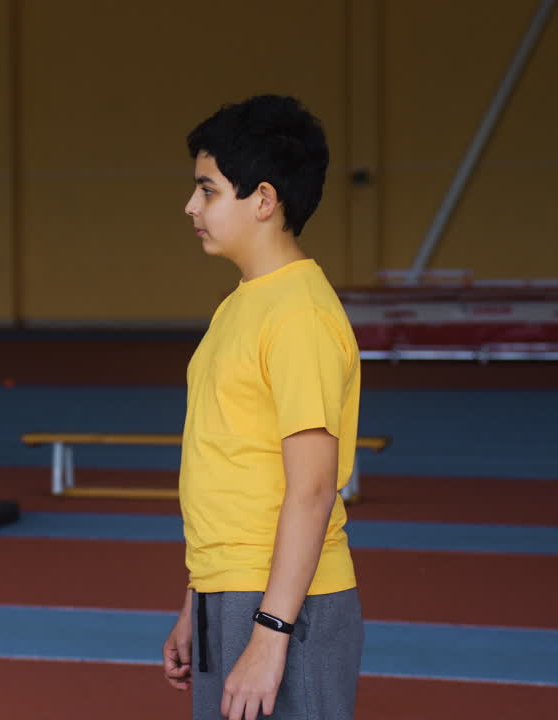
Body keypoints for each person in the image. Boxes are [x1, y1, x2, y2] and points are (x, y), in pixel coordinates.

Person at [161, 95, 364, 720]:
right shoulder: (243, 303)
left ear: (264, 199)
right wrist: (195, 601)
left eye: (208, 190)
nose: (191, 207)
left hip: (284, 604)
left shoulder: (299, 315)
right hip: (231, 590)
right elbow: (233, 465)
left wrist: (271, 633)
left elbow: (312, 488)